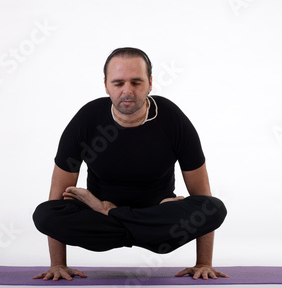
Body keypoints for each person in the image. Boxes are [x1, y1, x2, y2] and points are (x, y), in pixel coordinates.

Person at [32, 47, 228, 281]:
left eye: (136, 82)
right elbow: (56, 198)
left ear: (150, 83)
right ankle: (128, 225)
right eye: (118, 83)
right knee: (45, 214)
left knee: (214, 208)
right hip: (107, 226)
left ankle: (113, 212)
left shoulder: (172, 119)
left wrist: (203, 263)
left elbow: (203, 198)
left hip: (154, 215)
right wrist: (58, 265)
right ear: (106, 85)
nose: (127, 91)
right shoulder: (87, 119)